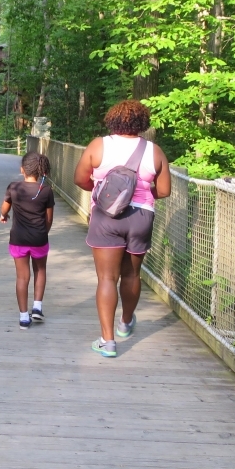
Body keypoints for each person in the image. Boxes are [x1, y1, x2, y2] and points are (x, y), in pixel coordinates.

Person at [74, 100, 171, 357]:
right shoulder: (155, 151)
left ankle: (108, 342)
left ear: (112, 120)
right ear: (142, 123)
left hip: (107, 218)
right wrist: (138, 193)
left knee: (107, 278)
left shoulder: (99, 145)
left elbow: (80, 179)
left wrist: (107, 194)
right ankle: (126, 323)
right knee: (131, 275)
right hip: (141, 217)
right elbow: (164, 191)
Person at [0, 152, 55, 329]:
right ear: (40, 171)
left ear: (22, 170)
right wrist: (42, 233)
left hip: (18, 239)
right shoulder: (46, 191)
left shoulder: (14, 187)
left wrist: (3, 215)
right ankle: (37, 307)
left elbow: (4, 207)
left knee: (22, 277)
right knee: (40, 271)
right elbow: (49, 219)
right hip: (39, 238)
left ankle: (24, 317)